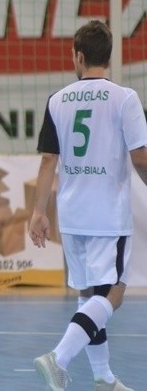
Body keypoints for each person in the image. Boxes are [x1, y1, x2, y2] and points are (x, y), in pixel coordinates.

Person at [30, 20, 147, 391]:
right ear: (107, 57)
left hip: (73, 215)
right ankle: (59, 358)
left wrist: (37, 213)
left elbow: (48, 161)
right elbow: (141, 158)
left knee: (88, 295)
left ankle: (103, 378)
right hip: (107, 216)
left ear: (78, 56)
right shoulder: (125, 98)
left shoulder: (57, 99)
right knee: (114, 292)